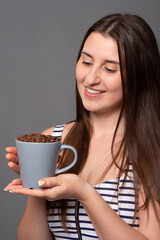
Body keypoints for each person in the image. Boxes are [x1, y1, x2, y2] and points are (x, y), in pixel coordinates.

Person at [5, 13, 160, 240]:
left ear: (139, 77)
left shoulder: (152, 149)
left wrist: (85, 193)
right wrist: (36, 184)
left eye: (109, 69)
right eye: (86, 62)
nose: (91, 78)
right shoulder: (54, 139)